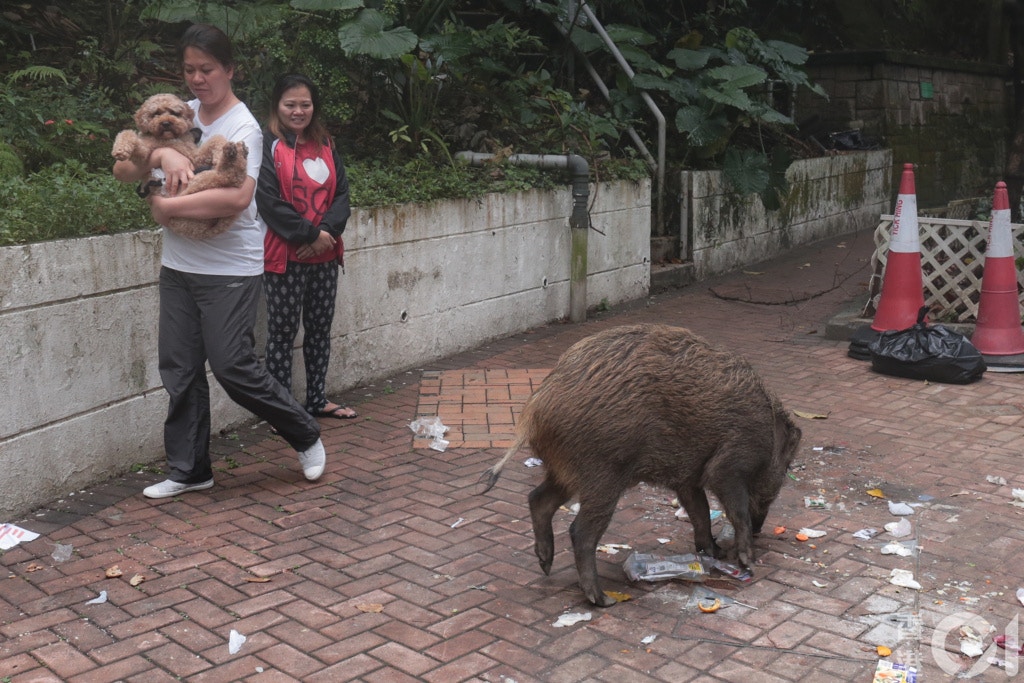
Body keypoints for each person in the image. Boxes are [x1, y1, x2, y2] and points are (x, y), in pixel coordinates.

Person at [113, 24, 327, 498]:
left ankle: (304, 432)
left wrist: (166, 209)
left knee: (233, 366)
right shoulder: (179, 113)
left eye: (207, 69)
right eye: (189, 69)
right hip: (179, 266)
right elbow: (123, 168)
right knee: (180, 369)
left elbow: (237, 198)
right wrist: (164, 154)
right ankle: (190, 470)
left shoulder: (243, 126)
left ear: (229, 69)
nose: (197, 78)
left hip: (230, 268)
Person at [256, 74, 357, 421]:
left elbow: (341, 194)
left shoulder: (326, 143)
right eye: (290, 104)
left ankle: (316, 399)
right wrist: (310, 235)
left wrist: (325, 233)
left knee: (319, 330)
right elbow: (267, 200)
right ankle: (282, 411)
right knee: (282, 334)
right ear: (277, 105)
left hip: (325, 254)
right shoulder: (266, 143)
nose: (298, 111)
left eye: (305, 104)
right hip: (284, 257)